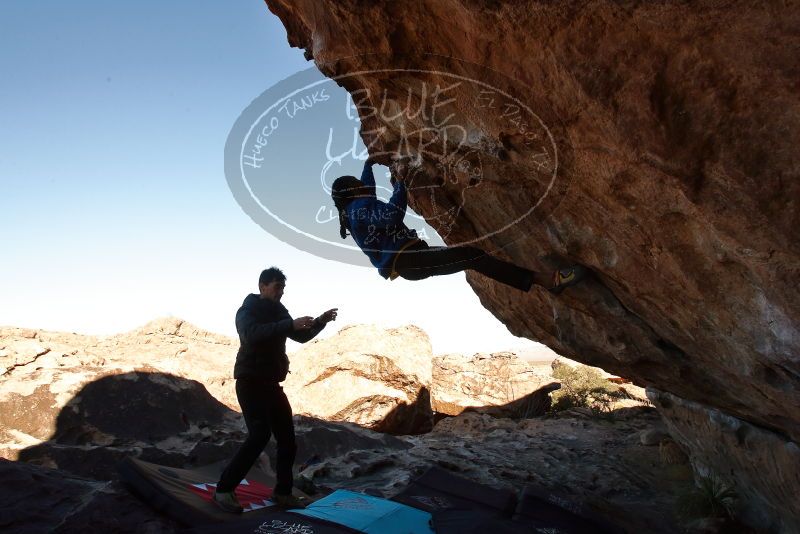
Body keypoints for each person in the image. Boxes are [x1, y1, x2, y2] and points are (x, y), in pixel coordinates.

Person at [331, 159, 586, 293]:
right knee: (472, 257)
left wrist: (367, 165)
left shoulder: (354, 210)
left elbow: (369, 193)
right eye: (358, 182)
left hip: (411, 260)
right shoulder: (359, 207)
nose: (363, 184)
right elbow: (390, 216)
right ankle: (546, 281)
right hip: (410, 259)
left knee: (471, 256)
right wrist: (401, 183)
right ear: (354, 190)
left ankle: (543, 281)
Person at [213, 267, 337, 513]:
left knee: (288, 440)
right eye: (277, 287)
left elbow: (299, 337)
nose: (281, 292)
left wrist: (320, 322)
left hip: (271, 385)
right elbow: (251, 335)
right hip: (250, 382)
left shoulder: (280, 312)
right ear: (262, 286)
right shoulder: (248, 310)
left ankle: (283, 492)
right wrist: (289, 323)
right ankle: (224, 489)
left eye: (283, 288)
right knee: (259, 435)